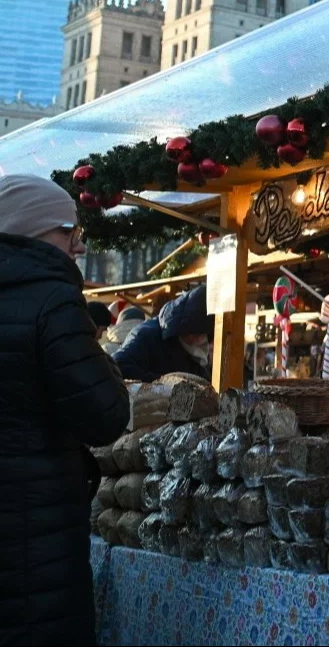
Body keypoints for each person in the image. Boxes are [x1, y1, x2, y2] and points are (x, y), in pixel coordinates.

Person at [0, 174, 129, 645]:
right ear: (33, 231)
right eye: (68, 231)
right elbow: (106, 417)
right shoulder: (53, 299)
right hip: (35, 539)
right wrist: (107, 365)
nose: (77, 246)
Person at [112, 285, 212, 382]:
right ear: (183, 328)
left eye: (203, 334)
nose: (199, 339)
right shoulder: (146, 335)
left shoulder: (199, 347)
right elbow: (119, 365)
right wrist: (164, 383)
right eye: (195, 334)